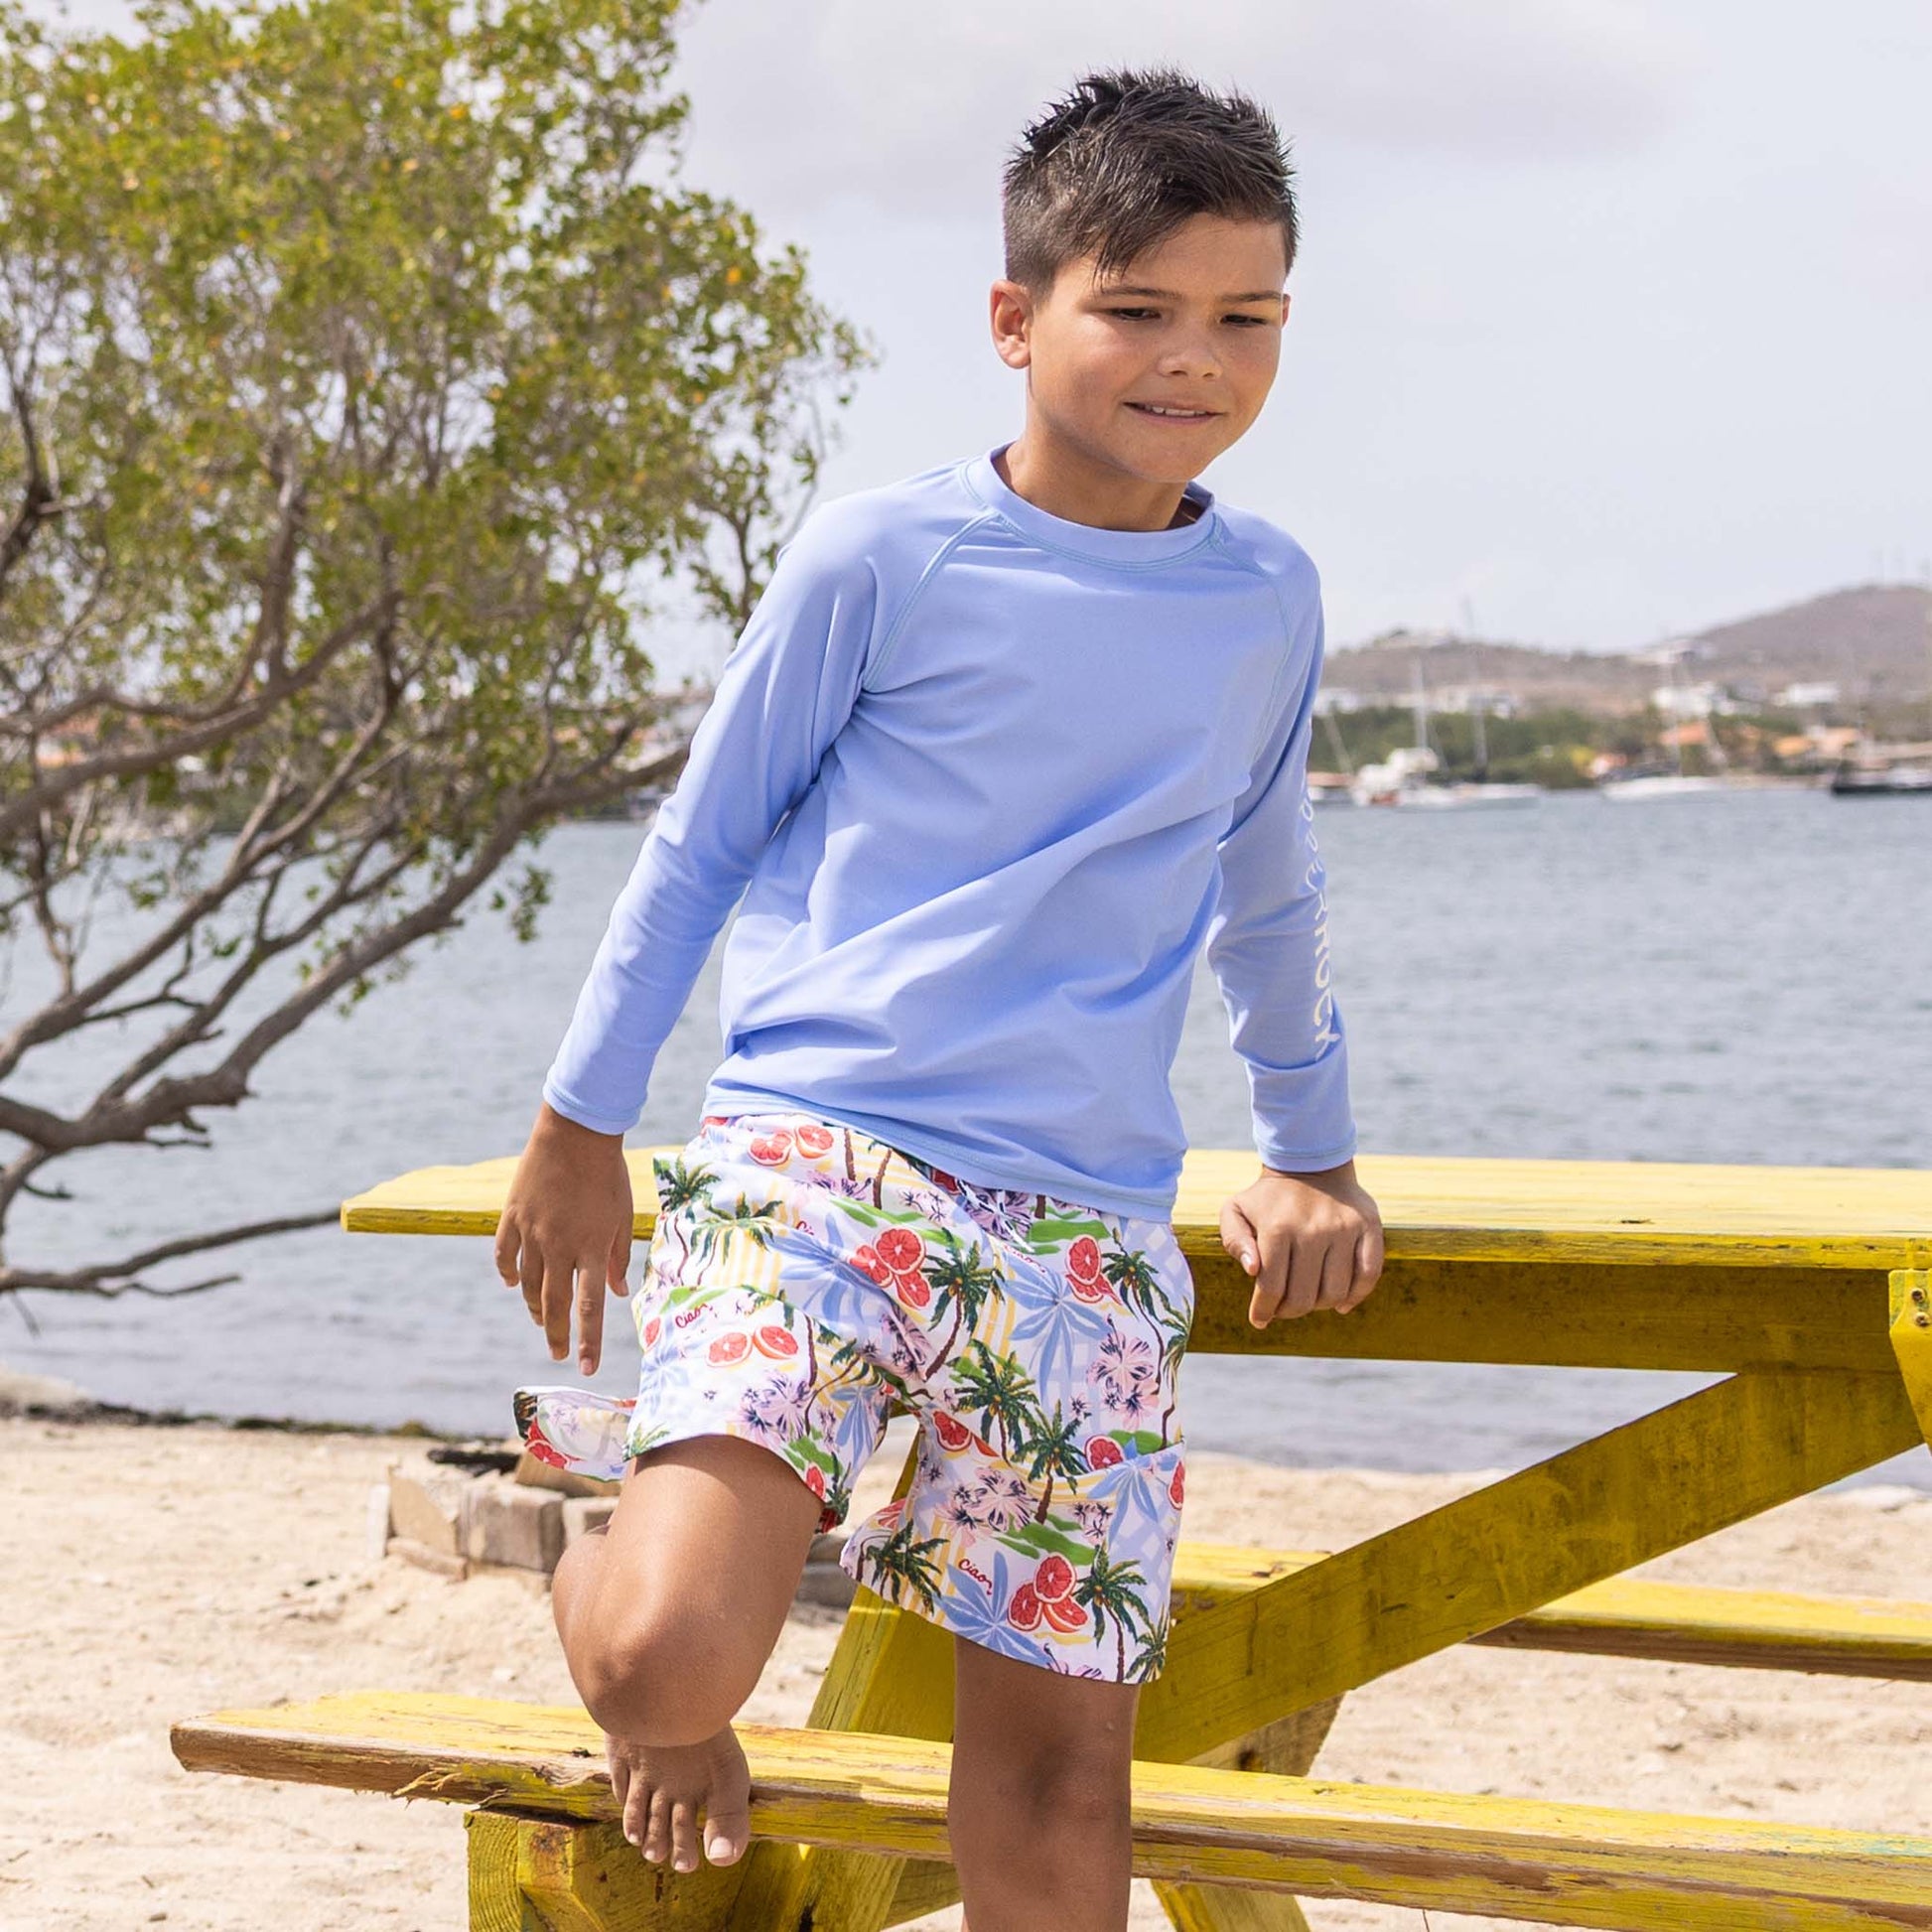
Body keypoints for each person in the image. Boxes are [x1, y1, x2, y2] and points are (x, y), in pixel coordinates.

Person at [492, 63, 1385, 1932]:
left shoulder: (1267, 598)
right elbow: (695, 847)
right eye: (1134, 309)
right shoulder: (879, 559)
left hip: (1077, 1224)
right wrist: (579, 1123)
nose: (1191, 360)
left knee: (1066, 1793)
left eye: (1245, 318)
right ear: (1015, 317)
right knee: (662, 1660)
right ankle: (620, 1577)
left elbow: (1268, 892)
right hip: (819, 1165)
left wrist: (1314, 1152)